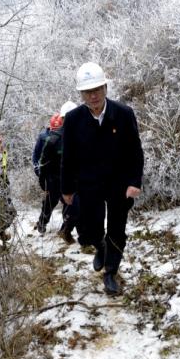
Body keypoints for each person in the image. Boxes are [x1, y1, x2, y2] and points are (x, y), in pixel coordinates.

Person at [61, 62, 144, 295]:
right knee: (88, 230)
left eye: (97, 89)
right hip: (88, 184)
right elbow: (67, 157)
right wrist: (66, 188)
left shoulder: (124, 114)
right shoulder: (74, 120)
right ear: (81, 94)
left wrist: (134, 182)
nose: (93, 95)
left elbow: (135, 152)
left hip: (119, 183)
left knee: (117, 229)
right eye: (87, 91)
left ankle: (110, 272)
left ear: (106, 87)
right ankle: (100, 244)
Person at [37, 105, 80, 243]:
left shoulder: (79, 136)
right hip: (53, 181)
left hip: (70, 180)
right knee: (49, 204)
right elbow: (41, 162)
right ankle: (42, 224)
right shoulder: (50, 140)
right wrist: (43, 183)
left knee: (73, 205)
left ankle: (65, 230)